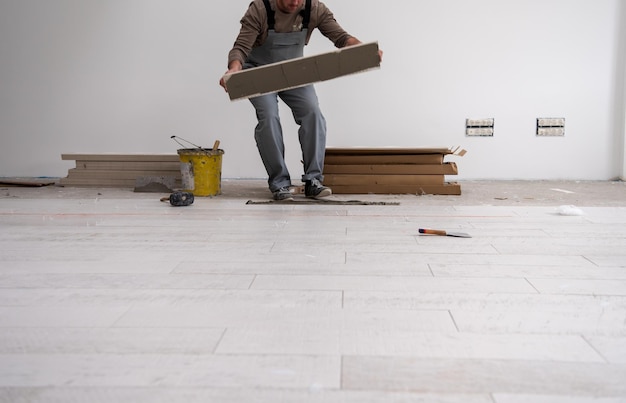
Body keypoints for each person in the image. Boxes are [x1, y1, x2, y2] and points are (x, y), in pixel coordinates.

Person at [220, 0, 381, 201]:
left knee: (313, 113)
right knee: (269, 116)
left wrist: (364, 51)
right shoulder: (259, 9)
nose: (295, 2)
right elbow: (240, 48)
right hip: (258, 73)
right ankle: (279, 183)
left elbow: (341, 38)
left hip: (294, 72)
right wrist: (234, 69)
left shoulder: (314, 9)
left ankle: (314, 180)